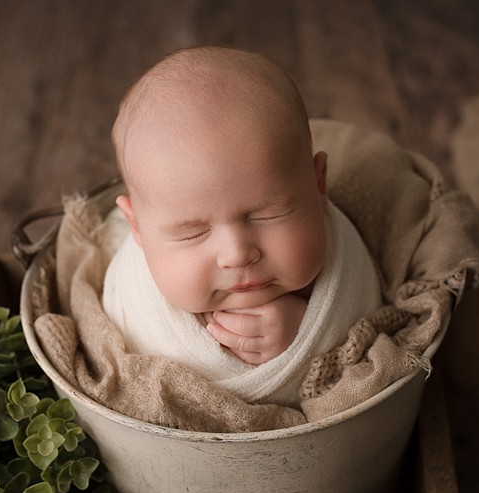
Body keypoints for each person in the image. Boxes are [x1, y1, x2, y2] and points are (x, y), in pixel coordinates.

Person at [103, 47, 383, 406]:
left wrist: (310, 334)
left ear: (319, 187)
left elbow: (369, 331)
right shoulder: (133, 300)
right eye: (193, 232)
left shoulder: (344, 258)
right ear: (137, 228)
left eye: (265, 214)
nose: (236, 254)